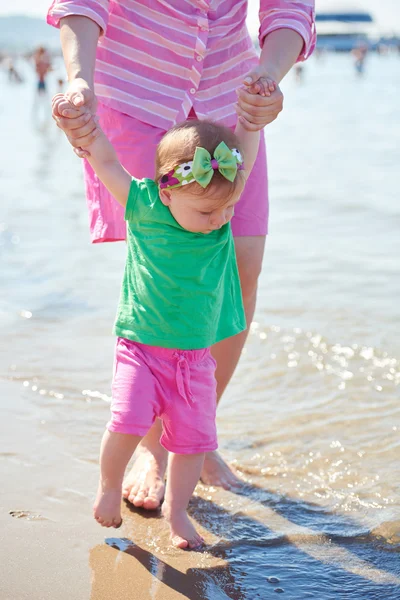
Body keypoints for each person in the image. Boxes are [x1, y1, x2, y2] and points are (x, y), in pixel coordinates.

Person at [48, 0, 316, 507]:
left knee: (241, 269)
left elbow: (289, 7)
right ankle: (152, 446)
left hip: (230, 101)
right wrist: (80, 80)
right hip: (138, 93)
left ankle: (195, 431)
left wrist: (269, 74)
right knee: (163, 270)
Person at [52, 86, 266, 547]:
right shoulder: (145, 205)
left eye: (228, 207)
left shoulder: (219, 204)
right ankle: (109, 488)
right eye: (209, 210)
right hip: (141, 349)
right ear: (168, 193)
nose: (221, 219)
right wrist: (87, 131)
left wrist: (249, 124)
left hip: (194, 361)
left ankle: (177, 515)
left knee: (192, 444)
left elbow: (242, 156)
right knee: (126, 421)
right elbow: (107, 163)